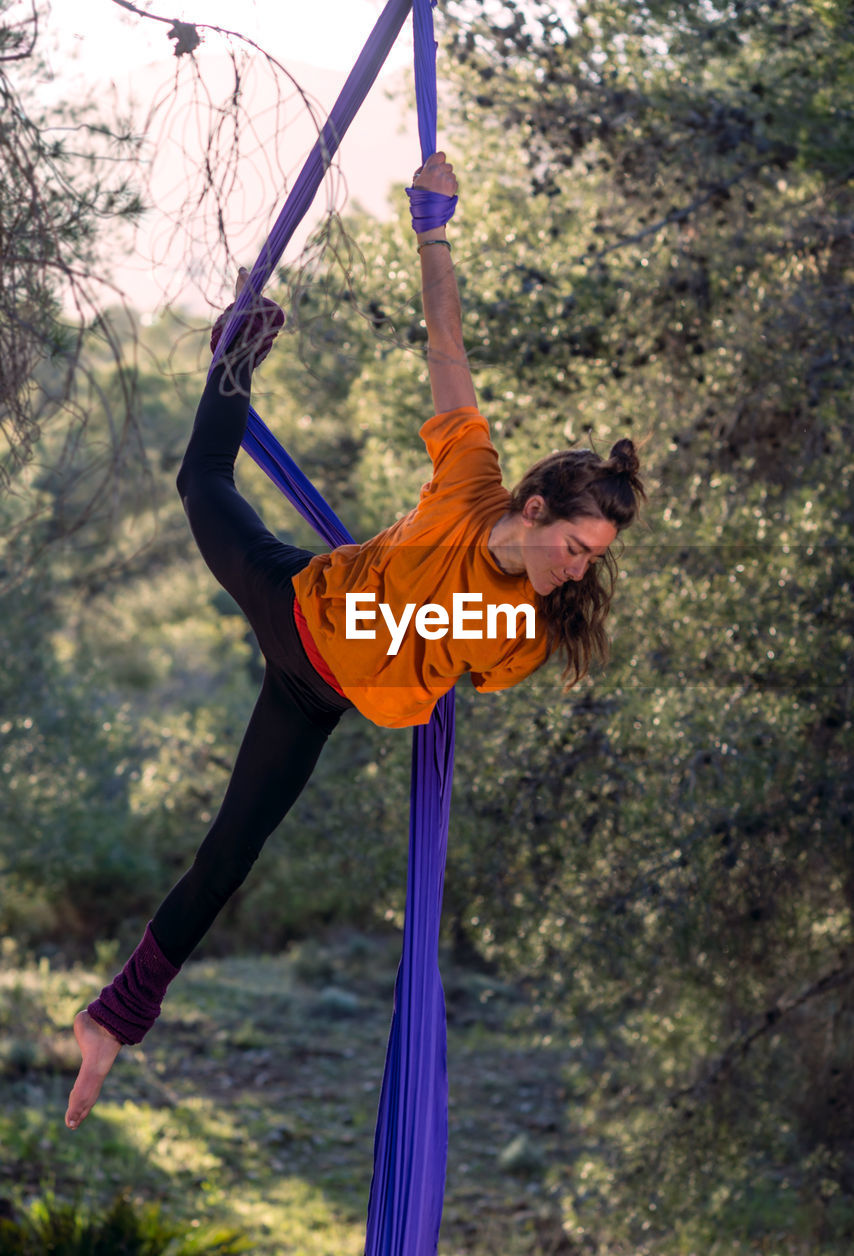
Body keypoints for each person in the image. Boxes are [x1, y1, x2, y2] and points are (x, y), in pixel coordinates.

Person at [65, 152, 644, 1130]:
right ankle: (238, 348)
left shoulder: (524, 638)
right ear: (533, 507)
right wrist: (432, 232)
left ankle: (113, 1016)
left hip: (315, 696)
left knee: (231, 848)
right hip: (295, 602)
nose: (579, 569)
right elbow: (446, 344)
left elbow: (436, 652)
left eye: (592, 558)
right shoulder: (469, 478)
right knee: (202, 481)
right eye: (575, 544)